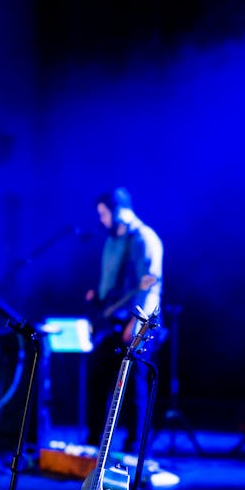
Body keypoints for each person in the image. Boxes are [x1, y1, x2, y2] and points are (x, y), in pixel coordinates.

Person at [85, 187, 163, 453]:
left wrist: (137, 324)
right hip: (111, 320)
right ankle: (93, 444)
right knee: (98, 379)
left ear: (120, 211)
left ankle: (136, 448)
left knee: (134, 387)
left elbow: (150, 285)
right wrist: (99, 296)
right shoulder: (111, 241)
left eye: (105, 214)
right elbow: (111, 281)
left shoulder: (144, 239)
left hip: (138, 321)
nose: (102, 220)